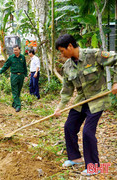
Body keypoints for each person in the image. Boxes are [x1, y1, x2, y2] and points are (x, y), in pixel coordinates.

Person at [54, 34, 117, 176]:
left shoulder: (93, 55)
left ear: (70, 46)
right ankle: (75, 158)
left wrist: (115, 82)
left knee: (88, 132)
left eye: (62, 50)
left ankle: (94, 166)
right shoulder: (68, 66)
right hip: (81, 101)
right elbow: (67, 91)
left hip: (97, 100)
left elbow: (116, 59)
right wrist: (60, 107)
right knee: (69, 126)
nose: (61, 54)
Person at [0, 45, 28, 112]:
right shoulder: (11, 58)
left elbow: (25, 67)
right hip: (14, 76)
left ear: (19, 50)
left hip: (21, 76)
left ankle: (14, 104)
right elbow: (6, 65)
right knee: (14, 91)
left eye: (16, 50)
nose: (15, 51)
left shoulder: (22, 57)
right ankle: (18, 105)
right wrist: (0, 72)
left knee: (18, 91)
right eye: (14, 50)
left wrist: (26, 75)